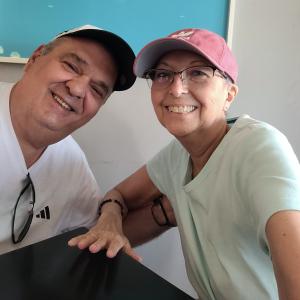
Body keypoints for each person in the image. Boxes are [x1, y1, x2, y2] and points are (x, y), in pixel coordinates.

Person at [69, 28, 300, 299]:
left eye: (198, 72)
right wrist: (110, 220)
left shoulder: (260, 147)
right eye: (163, 74)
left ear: (229, 94)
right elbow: (118, 195)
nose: (176, 89)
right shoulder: (176, 156)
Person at [0, 24, 138, 255]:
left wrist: (112, 217)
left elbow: (93, 229)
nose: (77, 89)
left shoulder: (71, 161)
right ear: (34, 58)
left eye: (97, 89)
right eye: (71, 66)